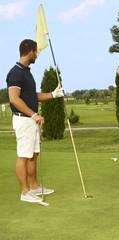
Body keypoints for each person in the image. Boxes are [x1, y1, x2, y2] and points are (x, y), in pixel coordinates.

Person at [6, 39, 64, 203]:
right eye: (36, 52)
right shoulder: (16, 72)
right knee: (23, 155)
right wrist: (34, 115)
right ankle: (25, 192)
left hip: (30, 120)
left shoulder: (26, 72)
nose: (37, 55)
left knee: (33, 155)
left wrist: (53, 94)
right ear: (30, 51)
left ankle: (35, 186)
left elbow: (33, 96)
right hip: (23, 120)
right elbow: (14, 99)